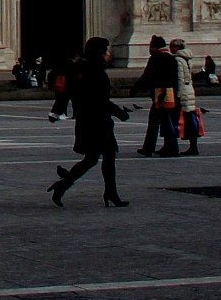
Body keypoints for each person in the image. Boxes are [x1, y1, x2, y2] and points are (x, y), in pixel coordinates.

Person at [50, 38, 130, 208]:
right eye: (106, 50)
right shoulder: (95, 71)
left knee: (93, 158)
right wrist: (120, 113)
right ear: (100, 52)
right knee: (104, 157)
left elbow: (66, 92)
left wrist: (57, 110)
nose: (109, 53)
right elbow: (99, 99)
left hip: (86, 119)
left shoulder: (81, 69)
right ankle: (109, 193)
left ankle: (64, 186)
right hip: (97, 120)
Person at [134, 35, 180, 156]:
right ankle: (165, 147)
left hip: (160, 93)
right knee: (164, 120)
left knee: (156, 121)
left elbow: (147, 76)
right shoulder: (171, 58)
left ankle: (165, 148)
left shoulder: (155, 58)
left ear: (155, 47)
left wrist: (136, 89)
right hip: (170, 92)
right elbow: (176, 78)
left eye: (151, 47)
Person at [170, 39, 203, 155]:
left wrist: (177, 94)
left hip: (183, 92)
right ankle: (193, 145)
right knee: (190, 118)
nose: (170, 48)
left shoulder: (178, 59)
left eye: (172, 46)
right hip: (189, 90)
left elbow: (179, 78)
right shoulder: (188, 58)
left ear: (178, 48)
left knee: (182, 119)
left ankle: (190, 146)